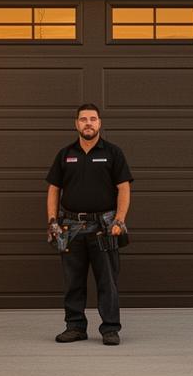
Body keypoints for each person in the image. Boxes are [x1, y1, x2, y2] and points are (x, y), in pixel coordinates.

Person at [44, 103, 132, 345]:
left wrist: (120, 220)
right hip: (70, 228)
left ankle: (110, 329)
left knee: (108, 281)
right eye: (83, 119)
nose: (88, 123)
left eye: (93, 119)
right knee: (73, 281)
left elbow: (123, 187)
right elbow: (54, 189)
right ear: (76, 124)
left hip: (104, 228)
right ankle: (75, 327)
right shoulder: (65, 154)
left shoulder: (113, 153)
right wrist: (52, 221)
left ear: (99, 123)